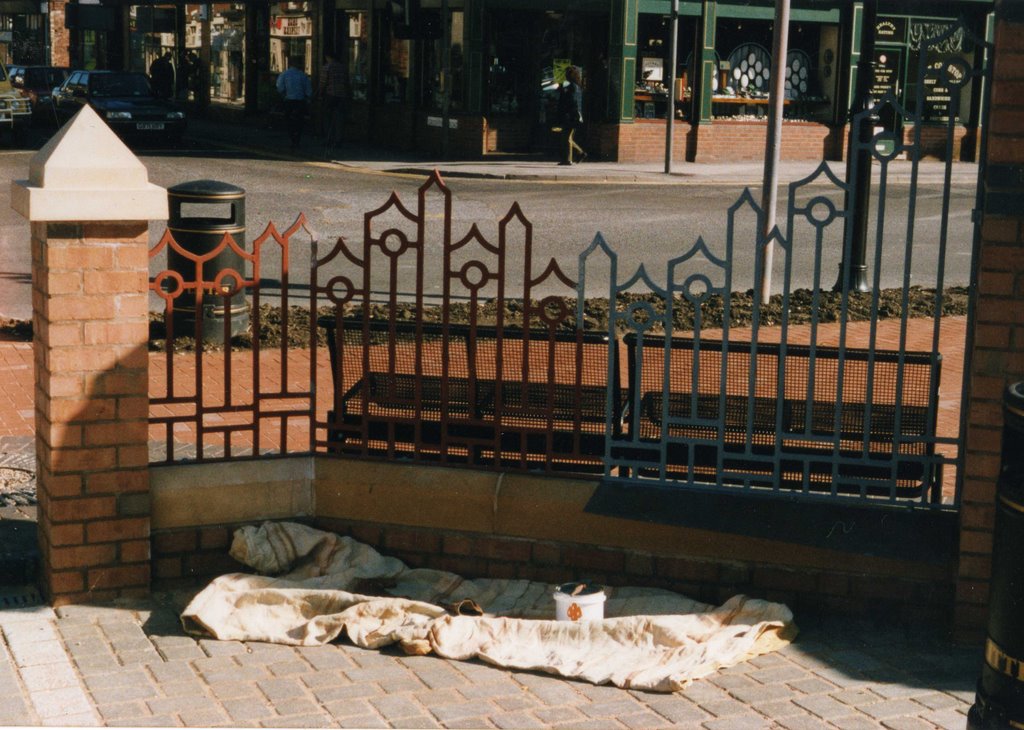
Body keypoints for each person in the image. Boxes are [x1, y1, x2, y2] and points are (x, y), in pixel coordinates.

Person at [276, 55, 313, 151]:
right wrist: (308, 98)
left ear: (290, 63)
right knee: (299, 121)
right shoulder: (303, 75)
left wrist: (284, 95)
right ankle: (297, 140)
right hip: (300, 101)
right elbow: (308, 91)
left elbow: (280, 87)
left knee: (289, 121)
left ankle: (292, 139)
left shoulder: (284, 74)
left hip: (289, 100)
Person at [318, 50, 348, 154]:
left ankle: (328, 139)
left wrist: (320, 93)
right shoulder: (342, 67)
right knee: (339, 118)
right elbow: (346, 81)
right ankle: (338, 140)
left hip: (330, 95)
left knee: (328, 118)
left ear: (327, 57)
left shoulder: (327, 67)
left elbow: (323, 82)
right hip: (342, 95)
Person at [558, 66, 587, 165]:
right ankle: (579, 153)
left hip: (571, 116)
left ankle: (568, 159)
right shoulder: (575, 86)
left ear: (571, 75)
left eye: (567, 74)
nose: (565, 75)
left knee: (566, 137)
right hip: (572, 115)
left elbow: (573, 101)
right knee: (567, 137)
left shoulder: (573, 87)